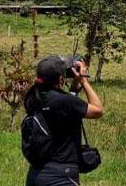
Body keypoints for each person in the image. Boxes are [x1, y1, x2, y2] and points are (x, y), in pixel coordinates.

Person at [23, 55, 104, 186]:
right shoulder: (64, 101)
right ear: (61, 79)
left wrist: (74, 88)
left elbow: (63, 108)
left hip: (36, 175)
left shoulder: (34, 98)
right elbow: (98, 110)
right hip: (61, 176)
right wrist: (84, 81)